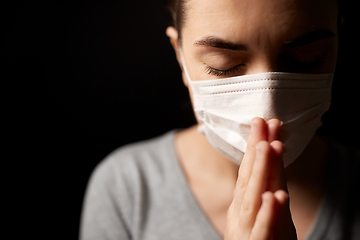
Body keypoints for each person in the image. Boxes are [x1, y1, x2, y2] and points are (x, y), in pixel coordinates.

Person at [79, 0, 360, 239]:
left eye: (306, 59)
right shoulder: (126, 189)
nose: (266, 110)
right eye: (222, 66)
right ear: (180, 54)